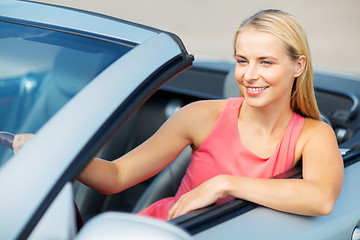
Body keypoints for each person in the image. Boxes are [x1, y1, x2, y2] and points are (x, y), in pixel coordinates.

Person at [13, 9, 344, 221]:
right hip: (169, 229)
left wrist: (225, 184)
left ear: (298, 66)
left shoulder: (313, 135)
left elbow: (321, 198)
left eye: (266, 62)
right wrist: (56, 153)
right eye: (242, 60)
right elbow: (115, 177)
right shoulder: (201, 116)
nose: (249, 75)